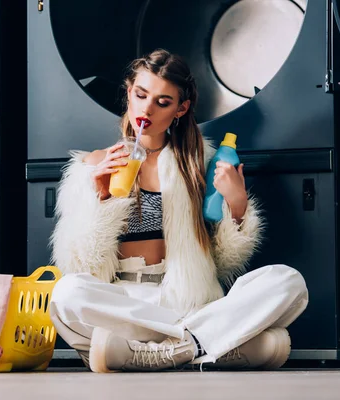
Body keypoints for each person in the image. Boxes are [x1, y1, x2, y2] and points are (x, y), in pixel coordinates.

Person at [48, 49, 309, 373]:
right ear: (129, 91)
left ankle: (163, 351)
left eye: (163, 102)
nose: (147, 108)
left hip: (188, 300)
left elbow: (223, 261)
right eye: (141, 94)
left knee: (287, 281)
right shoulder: (93, 165)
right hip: (124, 302)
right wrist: (102, 198)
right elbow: (79, 266)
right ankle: (211, 344)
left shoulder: (200, 163)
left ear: (181, 109)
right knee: (67, 293)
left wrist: (237, 204)